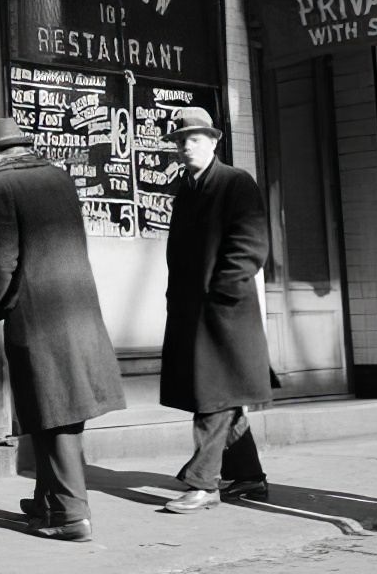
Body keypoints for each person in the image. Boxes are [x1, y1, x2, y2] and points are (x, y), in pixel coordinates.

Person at [0, 117, 125, 543]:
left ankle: (72, 514)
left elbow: (0, 256)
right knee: (59, 408)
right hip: (77, 310)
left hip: (36, 314)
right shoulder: (59, 178)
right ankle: (48, 500)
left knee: (52, 409)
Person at [159, 107, 272, 514]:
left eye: (196, 138)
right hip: (194, 314)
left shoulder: (235, 183)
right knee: (223, 395)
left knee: (213, 398)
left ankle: (203, 483)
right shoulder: (186, 189)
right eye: (180, 140)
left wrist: (219, 293)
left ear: (214, 141)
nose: (186, 145)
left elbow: (251, 245)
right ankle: (249, 477)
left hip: (226, 314)